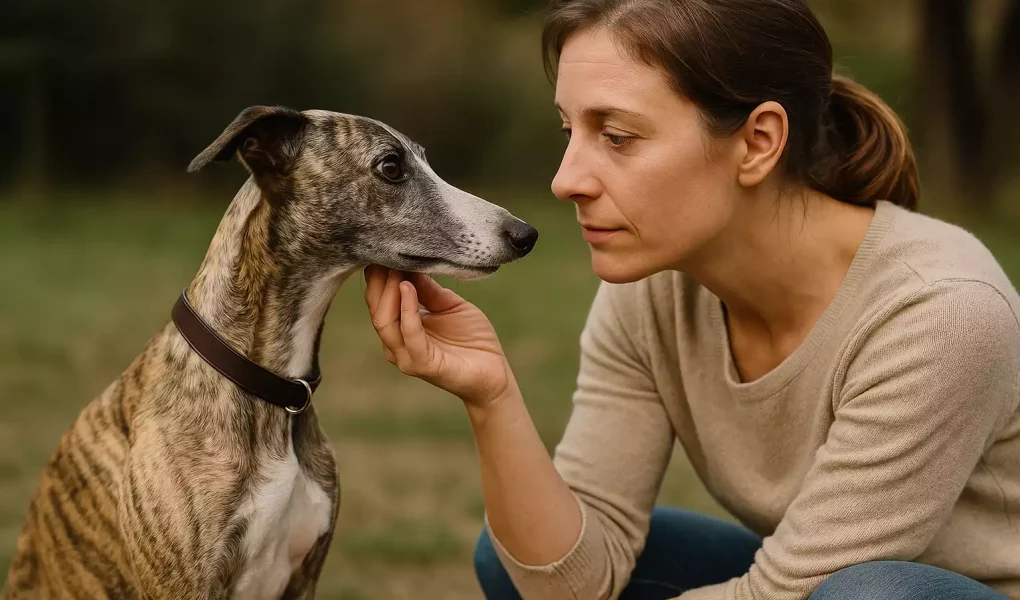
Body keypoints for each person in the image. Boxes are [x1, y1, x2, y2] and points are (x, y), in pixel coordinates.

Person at [362, 0, 1020, 598]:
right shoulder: (653, 290)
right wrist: (492, 397)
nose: (565, 182)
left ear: (758, 142)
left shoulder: (939, 310)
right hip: (809, 581)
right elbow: (569, 582)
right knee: (511, 553)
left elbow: (781, 596)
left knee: (870, 596)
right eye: (570, 132)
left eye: (617, 137)